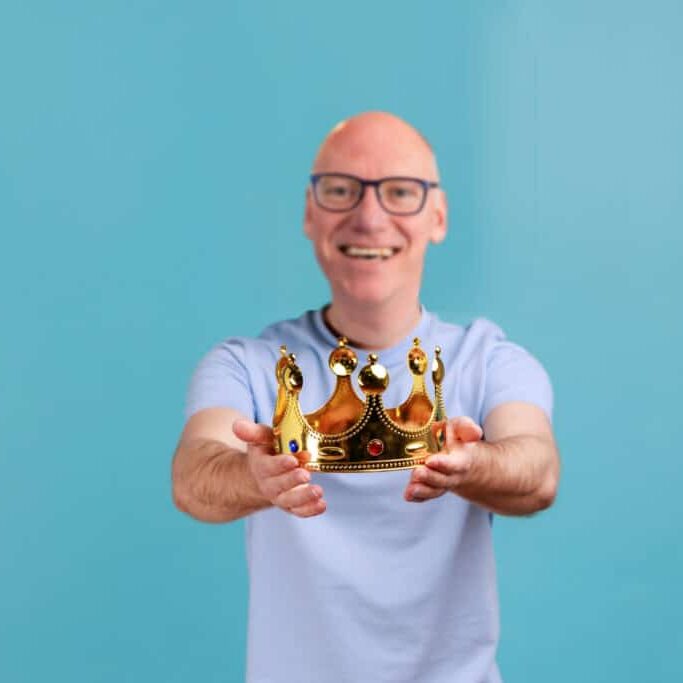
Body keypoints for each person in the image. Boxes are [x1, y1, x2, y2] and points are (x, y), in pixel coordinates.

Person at [171, 111, 560, 683]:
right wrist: (255, 477)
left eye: (400, 192)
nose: (369, 216)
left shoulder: (490, 360)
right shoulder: (247, 365)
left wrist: (473, 464)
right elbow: (193, 476)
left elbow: (538, 470)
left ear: (439, 216)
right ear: (310, 212)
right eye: (341, 190)